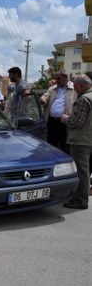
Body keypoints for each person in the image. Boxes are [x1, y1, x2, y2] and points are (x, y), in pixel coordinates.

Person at [60, 74, 92, 209]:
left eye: (76, 87)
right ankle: (80, 198)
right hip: (88, 139)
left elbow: (76, 123)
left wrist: (65, 119)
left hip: (80, 140)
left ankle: (80, 200)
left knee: (81, 172)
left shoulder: (84, 100)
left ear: (82, 86)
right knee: (85, 170)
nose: (75, 90)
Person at [40, 71, 77, 153]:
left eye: (58, 78)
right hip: (51, 121)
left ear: (66, 78)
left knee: (65, 146)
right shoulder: (53, 88)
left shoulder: (74, 88)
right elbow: (46, 95)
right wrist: (43, 99)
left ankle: (65, 164)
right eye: (55, 78)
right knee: (51, 145)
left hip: (64, 122)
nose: (56, 80)